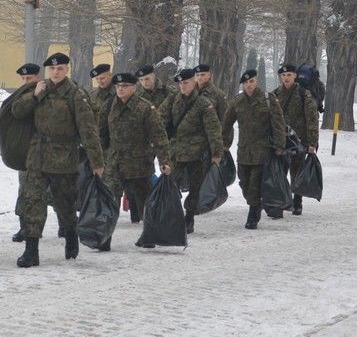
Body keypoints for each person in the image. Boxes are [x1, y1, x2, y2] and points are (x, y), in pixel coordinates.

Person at [11, 52, 105, 267]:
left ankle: (71, 236)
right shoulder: (38, 89)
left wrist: (96, 162)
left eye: (60, 68)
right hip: (37, 156)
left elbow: (88, 130)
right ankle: (31, 251)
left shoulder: (75, 94)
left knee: (65, 205)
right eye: (52, 69)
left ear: (67, 69)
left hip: (64, 158)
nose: (55, 72)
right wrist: (33, 95)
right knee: (33, 202)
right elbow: (17, 112)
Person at [98, 72, 171, 250]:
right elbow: (101, 135)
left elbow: (159, 137)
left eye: (124, 87)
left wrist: (165, 161)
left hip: (139, 164)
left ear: (133, 88)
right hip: (114, 164)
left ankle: (149, 236)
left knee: (145, 201)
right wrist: (98, 159)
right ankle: (105, 239)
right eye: (118, 87)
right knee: (109, 200)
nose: (120, 89)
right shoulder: (109, 106)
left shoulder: (145, 108)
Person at [158, 68, 222, 235]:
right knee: (172, 184)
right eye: (180, 83)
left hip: (197, 154)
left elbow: (213, 130)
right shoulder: (173, 99)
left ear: (194, 82)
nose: (182, 86)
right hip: (176, 152)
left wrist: (216, 154)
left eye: (185, 83)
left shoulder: (203, 103)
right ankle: (173, 214)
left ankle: (189, 217)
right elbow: (159, 119)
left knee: (195, 188)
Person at [221, 69, 286, 230]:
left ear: (256, 82)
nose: (249, 85)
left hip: (263, 150)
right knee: (244, 182)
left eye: (252, 82)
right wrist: (222, 145)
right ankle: (256, 203)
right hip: (244, 150)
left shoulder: (268, 100)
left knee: (255, 184)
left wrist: (279, 145)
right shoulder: (237, 101)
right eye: (246, 82)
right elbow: (226, 125)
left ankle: (253, 215)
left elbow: (278, 125)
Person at [273, 63, 319, 215]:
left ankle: (297, 201)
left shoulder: (303, 94)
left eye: (289, 75)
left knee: (296, 171)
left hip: (299, 140)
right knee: (279, 172)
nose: (286, 78)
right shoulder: (275, 94)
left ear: (295, 76)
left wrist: (312, 143)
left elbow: (312, 119)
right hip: (280, 140)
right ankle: (280, 202)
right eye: (284, 75)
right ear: (280, 77)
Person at [4, 63, 42, 242]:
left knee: (52, 193)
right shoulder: (22, 96)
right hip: (26, 152)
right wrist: (32, 96)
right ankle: (25, 227)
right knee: (25, 191)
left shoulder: (46, 93)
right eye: (24, 79)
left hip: (48, 151)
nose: (27, 82)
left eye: (30, 78)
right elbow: (17, 111)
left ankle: (65, 226)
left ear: (38, 78)